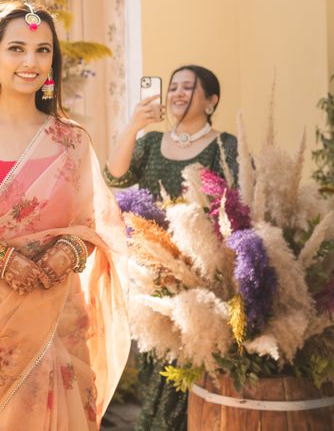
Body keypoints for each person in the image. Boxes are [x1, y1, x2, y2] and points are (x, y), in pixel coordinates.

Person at [0, 1, 130, 430]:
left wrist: (69, 251)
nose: (30, 61)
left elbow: (93, 229)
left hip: (60, 321)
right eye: (17, 48)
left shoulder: (71, 141)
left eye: (43, 50)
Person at [104, 64, 239, 431]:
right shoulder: (148, 143)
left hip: (202, 273)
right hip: (151, 270)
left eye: (189, 87)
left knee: (194, 365)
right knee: (155, 366)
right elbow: (114, 175)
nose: (178, 93)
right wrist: (134, 126)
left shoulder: (225, 146)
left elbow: (232, 206)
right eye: (174, 86)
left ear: (211, 101)